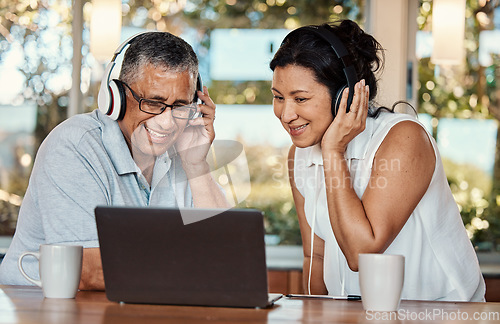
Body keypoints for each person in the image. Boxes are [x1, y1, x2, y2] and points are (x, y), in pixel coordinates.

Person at [270, 19, 485, 301]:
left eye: (300, 99)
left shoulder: (404, 139)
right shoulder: (299, 155)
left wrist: (333, 153)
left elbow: (362, 252)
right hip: (355, 317)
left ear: (344, 97)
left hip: (443, 314)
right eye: (278, 97)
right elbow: (316, 255)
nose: (286, 115)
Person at [0, 32, 229, 290]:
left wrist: (196, 164)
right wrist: (199, 264)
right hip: (38, 307)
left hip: (130, 305)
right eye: (153, 103)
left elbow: (230, 256)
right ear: (115, 97)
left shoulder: (181, 152)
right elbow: (90, 270)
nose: (166, 123)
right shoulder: (74, 146)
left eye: (180, 106)